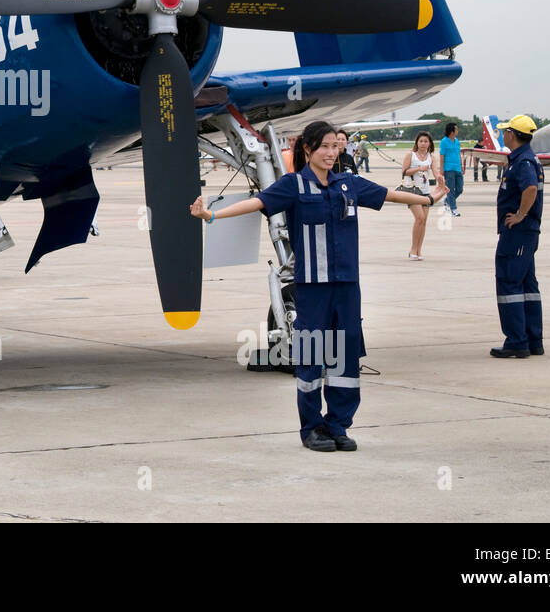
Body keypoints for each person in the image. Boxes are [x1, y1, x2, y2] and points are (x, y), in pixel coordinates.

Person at [190, 120, 444, 452]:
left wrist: (428, 199)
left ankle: (338, 424)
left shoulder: (347, 184)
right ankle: (311, 428)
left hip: (347, 287)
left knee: (346, 355)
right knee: (311, 355)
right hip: (311, 288)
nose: (330, 152)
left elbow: (389, 194)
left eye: (334, 146)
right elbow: (257, 204)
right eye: (323, 146)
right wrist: (211, 216)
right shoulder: (293, 186)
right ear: (308, 149)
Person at [492, 115, 544, 358]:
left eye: (505, 131)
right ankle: (533, 340)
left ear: (512, 134)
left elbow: (530, 188)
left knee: (509, 281)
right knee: (527, 284)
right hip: (525, 234)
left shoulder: (522, 162)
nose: (503, 134)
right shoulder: (524, 159)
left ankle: (516, 341)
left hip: (518, 233)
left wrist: (521, 214)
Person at [401, 131, 442, 260]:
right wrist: (419, 168)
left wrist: (441, 181)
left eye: (425, 141)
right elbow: (404, 172)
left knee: (423, 221)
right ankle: (413, 249)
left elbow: (436, 173)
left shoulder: (431, 157)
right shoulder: (411, 155)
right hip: (412, 191)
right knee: (419, 218)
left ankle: (419, 250)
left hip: (425, 191)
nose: (423, 144)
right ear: (417, 143)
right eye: (421, 141)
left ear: (430, 143)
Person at [439, 123, 464, 217]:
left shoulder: (457, 141)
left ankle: (447, 201)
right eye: (456, 129)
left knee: (460, 189)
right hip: (448, 169)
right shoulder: (444, 141)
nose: (458, 131)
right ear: (452, 131)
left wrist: (461, 166)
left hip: (457, 168)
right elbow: (442, 156)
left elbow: (458, 154)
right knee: (450, 190)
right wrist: (441, 169)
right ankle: (453, 209)